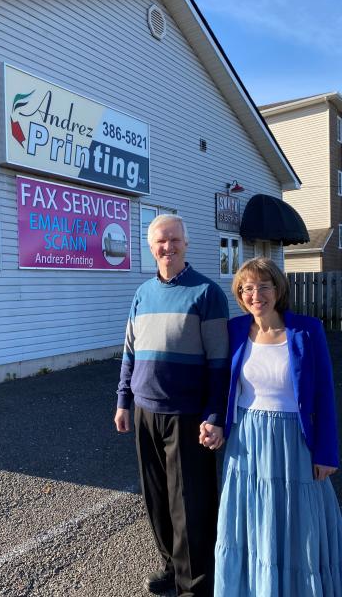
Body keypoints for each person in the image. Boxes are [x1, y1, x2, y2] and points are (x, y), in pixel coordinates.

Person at [200, 257, 342, 596]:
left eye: (263, 286)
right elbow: (220, 385)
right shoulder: (234, 331)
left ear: (277, 289)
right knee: (250, 520)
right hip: (247, 440)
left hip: (294, 442)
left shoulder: (307, 330)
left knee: (298, 522)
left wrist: (327, 452)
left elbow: (324, 394)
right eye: (247, 288)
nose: (255, 294)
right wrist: (213, 421)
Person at [115, 214, 229, 597]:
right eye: (160, 242)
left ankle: (195, 584)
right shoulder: (142, 294)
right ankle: (172, 566)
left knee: (190, 504)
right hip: (146, 411)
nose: (168, 247)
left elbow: (218, 363)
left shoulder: (207, 293)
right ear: (151, 249)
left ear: (186, 242)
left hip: (188, 415)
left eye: (174, 240)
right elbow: (129, 353)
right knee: (157, 498)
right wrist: (123, 402)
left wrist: (215, 416)